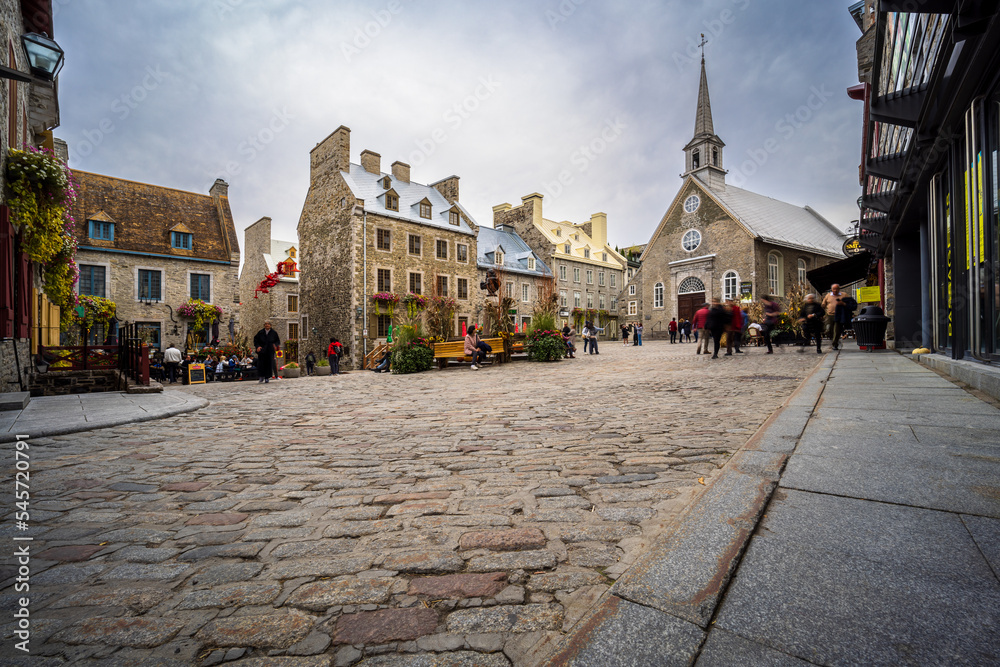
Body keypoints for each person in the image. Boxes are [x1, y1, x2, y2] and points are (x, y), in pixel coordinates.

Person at [821, 283, 846, 350]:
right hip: (829, 315)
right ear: (831, 289)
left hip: (839, 315)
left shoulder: (844, 295)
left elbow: (850, 303)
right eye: (834, 289)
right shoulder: (828, 295)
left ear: (839, 289)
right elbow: (823, 305)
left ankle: (835, 344)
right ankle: (833, 339)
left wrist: (843, 303)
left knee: (837, 330)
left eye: (836, 289)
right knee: (828, 329)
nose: (835, 290)